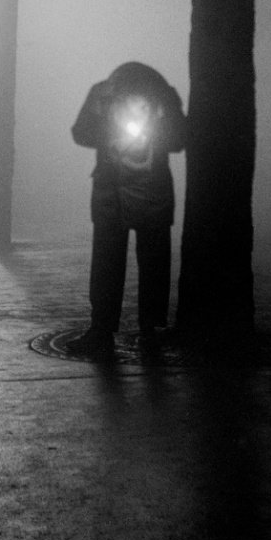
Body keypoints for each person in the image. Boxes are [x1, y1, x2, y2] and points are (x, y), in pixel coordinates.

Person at [67, 62, 187, 357]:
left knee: (110, 264)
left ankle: (103, 331)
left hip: (114, 193)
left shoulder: (102, 92)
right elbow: (179, 139)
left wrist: (111, 133)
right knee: (152, 265)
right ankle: (148, 331)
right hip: (148, 193)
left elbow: (80, 132)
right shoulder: (162, 94)